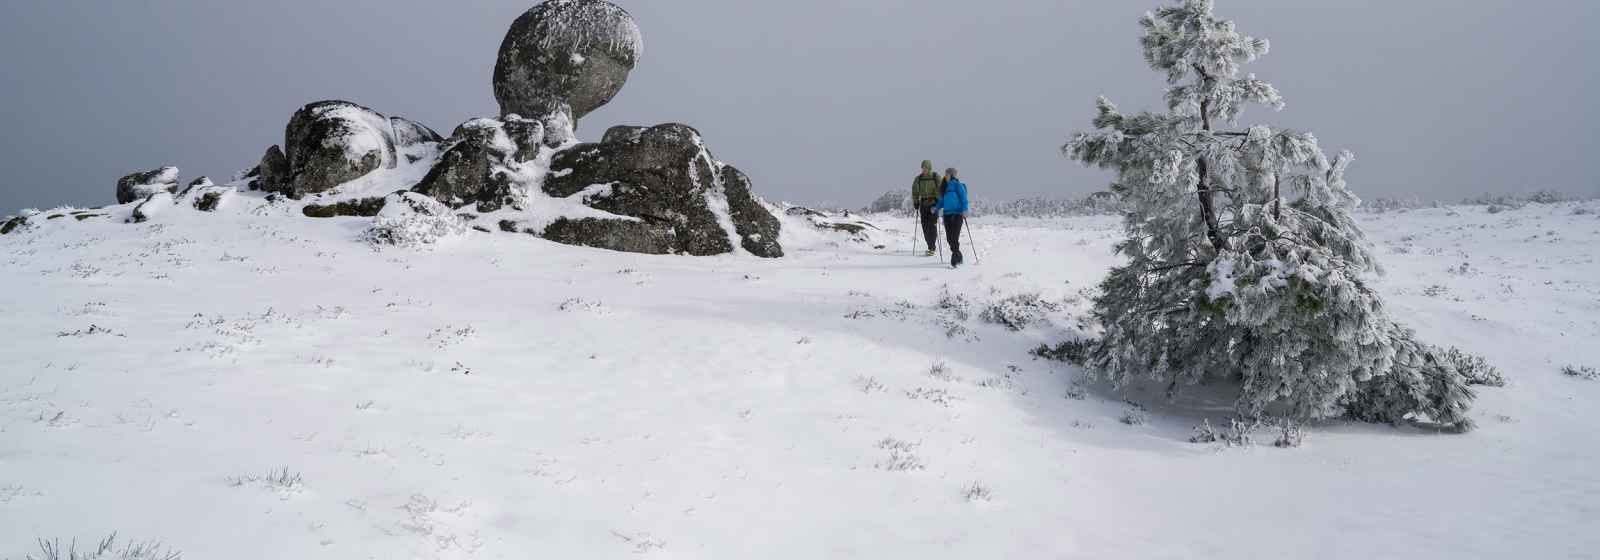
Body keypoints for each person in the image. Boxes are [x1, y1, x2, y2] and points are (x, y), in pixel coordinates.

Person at [910, 160, 944, 256]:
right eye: (922, 168)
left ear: (929, 168)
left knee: (932, 226)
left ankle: (931, 247)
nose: (923, 169)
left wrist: (938, 200)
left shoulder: (935, 177)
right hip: (923, 204)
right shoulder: (918, 179)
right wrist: (916, 202)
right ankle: (929, 244)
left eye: (925, 168)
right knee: (925, 226)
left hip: (933, 204)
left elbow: (941, 188)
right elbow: (915, 191)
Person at [940, 167, 970, 267]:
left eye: (947, 174)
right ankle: (958, 255)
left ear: (952, 175)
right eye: (945, 174)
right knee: (949, 238)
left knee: (954, 237)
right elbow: (941, 201)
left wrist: (965, 210)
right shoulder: (944, 186)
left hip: (957, 214)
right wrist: (935, 208)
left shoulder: (958, 185)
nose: (945, 176)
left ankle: (954, 259)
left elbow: (964, 199)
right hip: (947, 215)